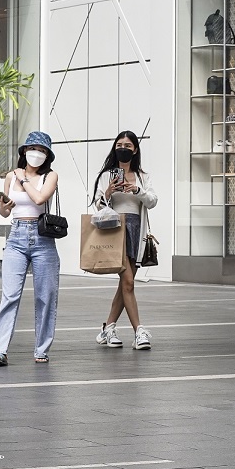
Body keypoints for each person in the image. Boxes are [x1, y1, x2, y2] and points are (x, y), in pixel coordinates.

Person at [0, 131, 61, 365]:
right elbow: (4, 213)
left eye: (42, 150)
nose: (36, 153)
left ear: (47, 155)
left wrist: (24, 180)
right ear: (24, 151)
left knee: (46, 296)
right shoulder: (11, 176)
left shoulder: (50, 176)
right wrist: (3, 204)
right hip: (16, 236)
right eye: (33, 149)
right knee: (10, 295)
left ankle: (41, 350)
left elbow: (39, 199)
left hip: (42, 239)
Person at [92, 131, 158, 350]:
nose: (123, 148)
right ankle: (139, 331)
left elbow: (152, 201)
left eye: (128, 145)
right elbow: (98, 205)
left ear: (135, 150)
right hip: (115, 229)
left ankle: (108, 328)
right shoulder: (106, 175)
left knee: (125, 285)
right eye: (119, 145)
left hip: (135, 231)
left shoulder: (142, 176)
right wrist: (109, 192)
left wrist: (137, 190)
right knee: (128, 282)